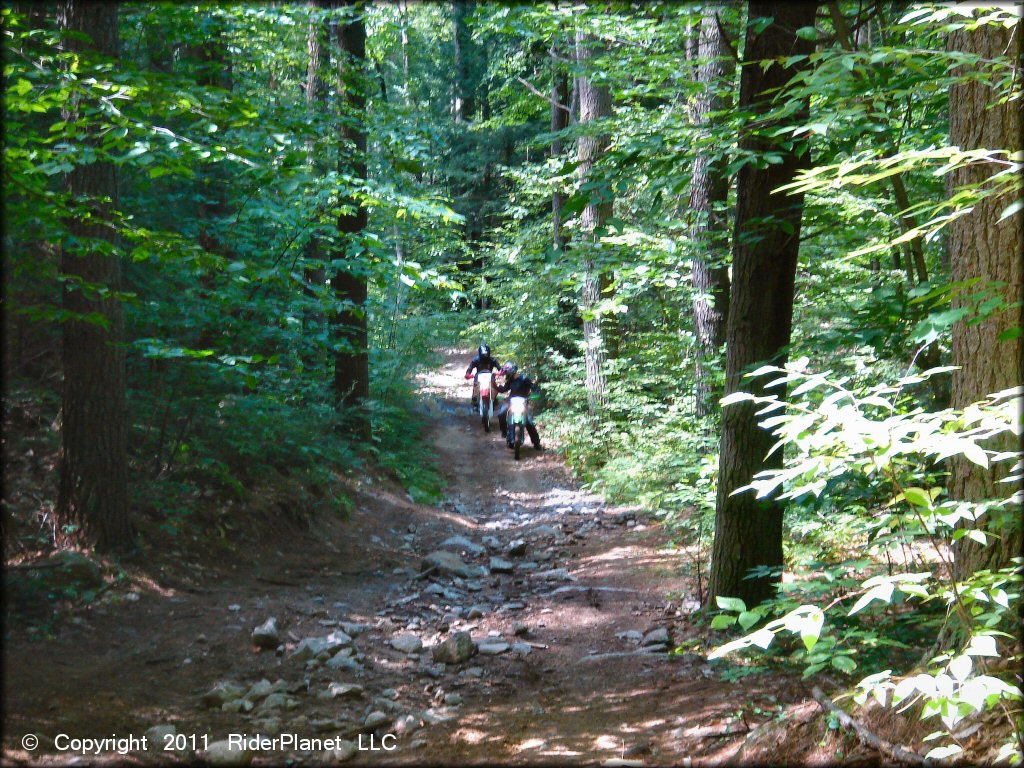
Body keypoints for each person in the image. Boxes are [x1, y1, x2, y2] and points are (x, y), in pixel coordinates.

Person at [496, 361, 542, 450]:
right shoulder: (510, 381)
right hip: (511, 401)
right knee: (501, 413)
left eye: (507, 373)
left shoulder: (525, 379)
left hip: (523, 401)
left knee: (529, 422)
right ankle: (504, 432)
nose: (506, 375)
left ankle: (536, 443)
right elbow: (504, 389)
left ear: (511, 372)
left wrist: (536, 394)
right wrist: (495, 386)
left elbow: (534, 388)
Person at [464, 344, 501, 409]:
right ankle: (475, 402)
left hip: (490, 375)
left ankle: (494, 399)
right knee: (476, 386)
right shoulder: (476, 360)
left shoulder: (493, 360)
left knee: (494, 386)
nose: (485, 356)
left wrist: (500, 372)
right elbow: (469, 369)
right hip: (479, 376)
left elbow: (500, 369)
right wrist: (468, 375)